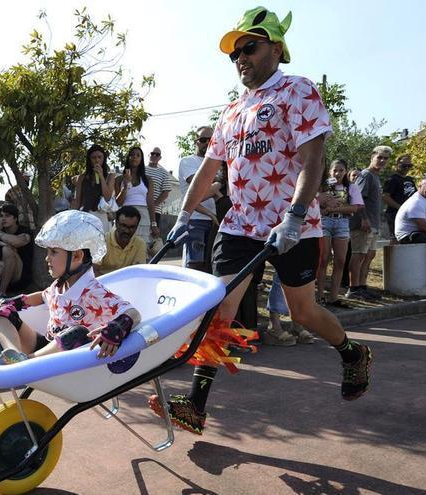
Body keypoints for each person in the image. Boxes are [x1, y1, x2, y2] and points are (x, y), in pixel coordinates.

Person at [156, 7, 372, 435]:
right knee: (219, 308)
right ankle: (195, 405)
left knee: (303, 312)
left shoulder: (298, 90)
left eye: (249, 48)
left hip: (292, 227)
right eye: (234, 54)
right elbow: (209, 168)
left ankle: (352, 353)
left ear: (276, 48)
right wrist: (184, 212)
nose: (240, 58)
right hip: (239, 224)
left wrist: (294, 216)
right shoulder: (231, 111)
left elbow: (313, 158)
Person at [0, 209, 141, 365]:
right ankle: (12, 353)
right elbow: (43, 295)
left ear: (76, 256)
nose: (47, 258)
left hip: (64, 357)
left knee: (77, 333)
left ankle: (22, 362)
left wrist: (117, 327)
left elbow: (133, 313)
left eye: (53, 252)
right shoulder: (59, 286)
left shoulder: (93, 292)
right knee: (2, 311)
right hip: (44, 348)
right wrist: (17, 302)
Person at [346, 146, 391, 301]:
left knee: (369, 256)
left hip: (374, 224)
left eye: (385, 158)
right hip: (363, 223)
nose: (382, 161)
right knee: (358, 255)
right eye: (380, 157)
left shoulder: (375, 176)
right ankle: (353, 289)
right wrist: (364, 219)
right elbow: (357, 199)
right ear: (372, 157)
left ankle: (362, 287)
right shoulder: (366, 175)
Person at [316, 159, 363, 306]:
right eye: (335, 170)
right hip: (324, 222)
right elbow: (315, 203)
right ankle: (320, 296)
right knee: (323, 258)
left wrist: (331, 209)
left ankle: (334, 297)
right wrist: (326, 208)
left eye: (341, 170)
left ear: (346, 171)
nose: (337, 173)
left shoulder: (351, 187)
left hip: (342, 223)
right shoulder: (322, 186)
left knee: (340, 260)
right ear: (330, 171)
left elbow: (355, 208)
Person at [178, 126, 218, 272]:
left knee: (211, 267)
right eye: (203, 139)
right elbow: (198, 189)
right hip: (194, 220)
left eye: (211, 140)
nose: (207, 143)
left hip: (215, 222)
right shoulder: (187, 161)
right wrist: (218, 183)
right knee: (194, 266)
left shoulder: (217, 163)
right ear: (196, 141)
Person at [115, 147, 157, 247]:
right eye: (132, 154)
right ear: (128, 158)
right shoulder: (119, 179)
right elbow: (118, 203)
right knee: (123, 246)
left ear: (141, 159)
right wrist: (125, 185)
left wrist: (154, 224)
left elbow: (150, 203)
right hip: (124, 215)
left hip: (143, 217)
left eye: (138, 155)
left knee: (141, 248)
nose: (134, 157)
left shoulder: (147, 180)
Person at [0, 203, 34, 295]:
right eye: (1, 216)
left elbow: (16, 242)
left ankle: (1, 293)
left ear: (15, 218)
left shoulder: (24, 231)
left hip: (20, 277)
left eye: (7, 216)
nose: (3, 219)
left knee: (7, 250)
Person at [71, 144, 116, 230]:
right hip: (85, 216)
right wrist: (73, 218)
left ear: (104, 159)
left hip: (101, 217)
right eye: (93, 158)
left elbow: (107, 197)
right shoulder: (82, 177)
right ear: (89, 159)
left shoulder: (110, 176)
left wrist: (101, 176)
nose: (97, 160)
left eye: (99, 157)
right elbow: (77, 201)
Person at [94, 205, 147, 276]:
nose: (127, 231)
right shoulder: (102, 240)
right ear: (116, 223)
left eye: (132, 227)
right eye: (123, 226)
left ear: (137, 227)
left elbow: (138, 273)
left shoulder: (140, 244)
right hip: (102, 281)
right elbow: (93, 271)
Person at [382, 155, 417, 242]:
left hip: (410, 214)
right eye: (404, 165)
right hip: (395, 214)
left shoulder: (410, 179)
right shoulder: (392, 179)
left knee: (408, 238)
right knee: (396, 239)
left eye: (409, 166)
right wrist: (400, 207)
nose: (407, 168)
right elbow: (385, 197)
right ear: (397, 165)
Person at [144, 147, 172, 234]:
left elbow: (165, 193)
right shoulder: (141, 170)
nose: (154, 156)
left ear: (160, 157)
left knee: (151, 236)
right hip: (139, 207)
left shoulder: (164, 173)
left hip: (155, 211)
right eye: (152, 153)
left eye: (157, 154)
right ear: (149, 155)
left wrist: (152, 206)